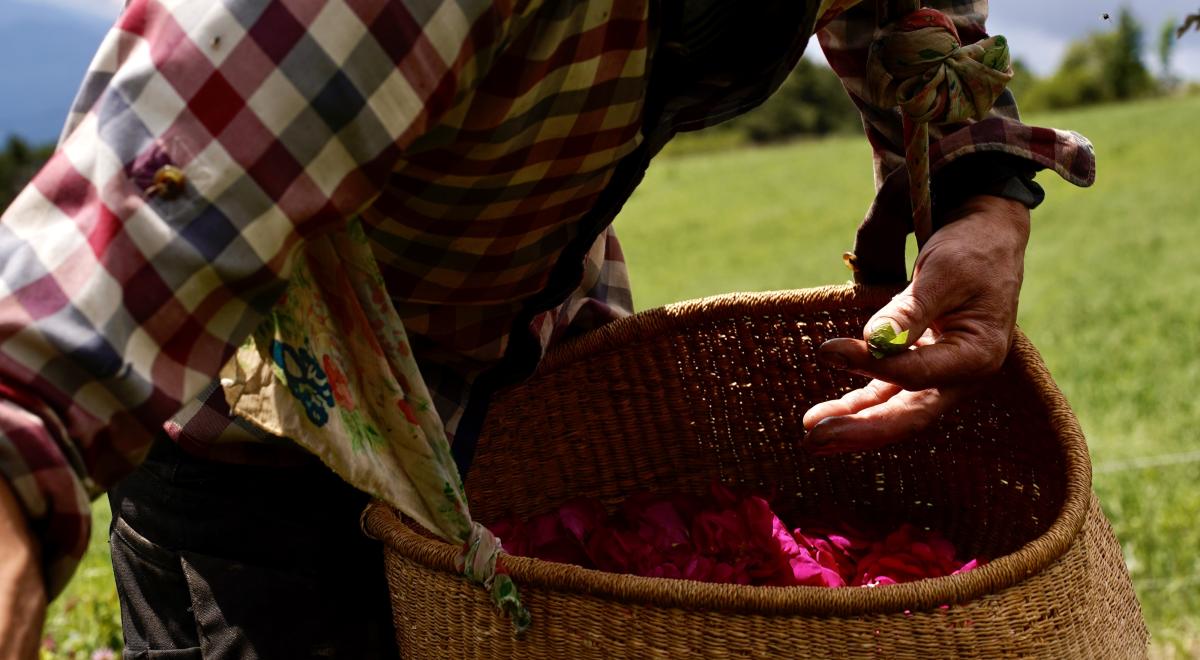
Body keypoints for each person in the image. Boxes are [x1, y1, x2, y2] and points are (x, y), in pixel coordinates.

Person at [0, 0, 1093, 656]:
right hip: (261, 423)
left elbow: (906, 10)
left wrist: (980, 191)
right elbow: (154, 196)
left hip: (516, 367)